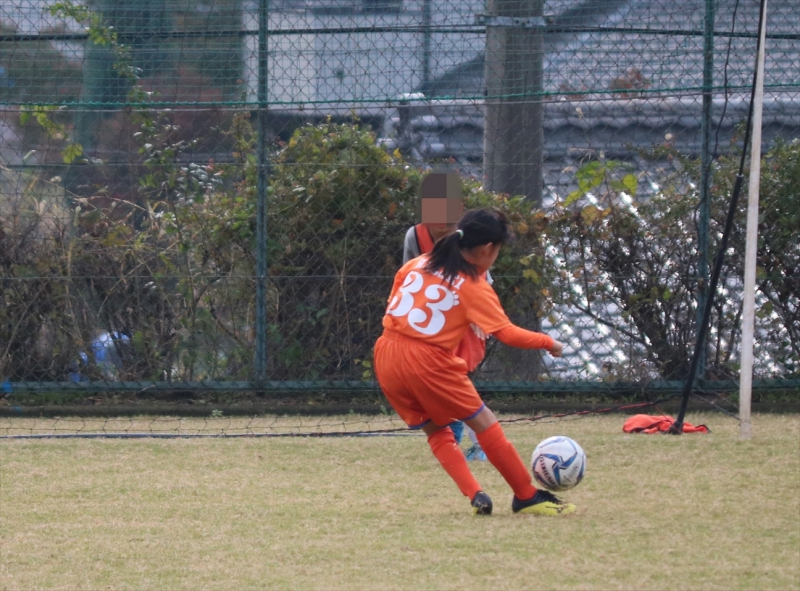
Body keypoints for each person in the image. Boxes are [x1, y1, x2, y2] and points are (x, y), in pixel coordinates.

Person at [375, 207, 574, 515]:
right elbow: (507, 333)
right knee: (484, 423)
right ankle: (526, 496)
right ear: (487, 249)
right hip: (427, 360)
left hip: (386, 353)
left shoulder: (418, 263)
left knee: (435, 429)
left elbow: (396, 303)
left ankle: (475, 495)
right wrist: (549, 342)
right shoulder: (474, 286)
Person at [403, 174, 487, 461]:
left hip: (465, 318)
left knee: (458, 379)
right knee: (438, 381)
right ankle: (456, 431)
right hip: (431, 320)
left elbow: (482, 280)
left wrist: (480, 319)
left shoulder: (469, 236)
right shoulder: (415, 236)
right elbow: (408, 279)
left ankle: (473, 440)